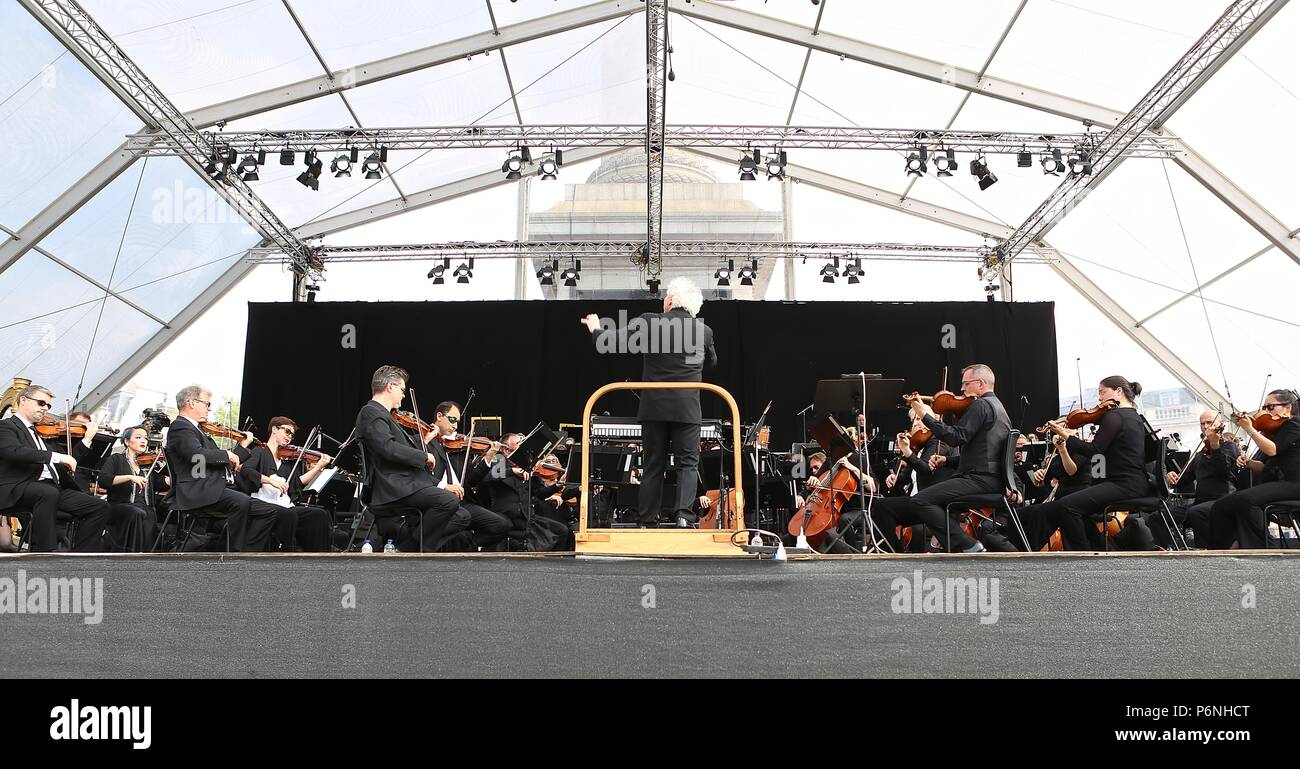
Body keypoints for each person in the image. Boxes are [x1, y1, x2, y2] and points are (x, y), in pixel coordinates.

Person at [582, 276, 717, 527]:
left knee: (654, 464)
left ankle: (647, 519)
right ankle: (684, 517)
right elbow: (711, 363)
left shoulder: (649, 322)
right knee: (688, 464)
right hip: (687, 408)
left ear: (669, 301)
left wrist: (596, 329)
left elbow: (612, 342)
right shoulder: (704, 331)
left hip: (654, 407)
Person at [855, 364, 1012, 553]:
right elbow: (983, 452)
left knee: (920, 500)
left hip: (980, 480)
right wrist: (948, 461)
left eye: (965, 384)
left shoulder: (982, 405)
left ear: (980, 383)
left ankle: (967, 544)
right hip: (990, 479)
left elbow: (955, 437)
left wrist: (925, 416)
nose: (962, 390)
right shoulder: (999, 408)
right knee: (907, 504)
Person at [1022, 376, 1149, 551]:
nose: (1099, 399)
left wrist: (1066, 435)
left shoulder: (1115, 416)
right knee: (1075, 507)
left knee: (1067, 506)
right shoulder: (1134, 417)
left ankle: (1082, 556)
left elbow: (1094, 450)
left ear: (1118, 392)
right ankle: (1101, 550)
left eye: (1102, 392)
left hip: (1124, 484)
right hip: (1134, 482)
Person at [355, 367, 460, 552]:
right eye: (402, 390)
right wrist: (423, 455)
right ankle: (410, 550)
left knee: (457, 510)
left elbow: (398, 447)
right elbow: (387, 448)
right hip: (391, 486)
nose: (404, 395)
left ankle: (410, 549)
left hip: (404, 483)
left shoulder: (384, 415)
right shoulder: (370, 412)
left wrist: (424, 442)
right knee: (447, 501)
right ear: (389, 386)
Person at [165, 385, 276, 552]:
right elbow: (197, 456)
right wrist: (226, 454)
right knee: (241, 502)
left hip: (214, 487)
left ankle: (247, 552)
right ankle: (232, 554)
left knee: (269, 510)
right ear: (191, 403)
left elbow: (222, 461)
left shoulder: (198, 430)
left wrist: (242, 446)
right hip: (198, 489)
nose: (209, 408)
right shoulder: (180, 426)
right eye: (207, 404)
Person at [0, 384, 110, 551]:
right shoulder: (6, 426)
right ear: (23, 400)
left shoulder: (43, 435)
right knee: (47, 493)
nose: (45, 409)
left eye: (48, 406)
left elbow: (71, 459)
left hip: (51, 488)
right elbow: (13, 451)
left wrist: (85, 441)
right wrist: (56, 457)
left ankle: (82, 556)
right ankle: (44, 552)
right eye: (41, 403)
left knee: (99, 506)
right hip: (17, 487)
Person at [1207, 390, 1300, 548]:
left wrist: (1251, 430)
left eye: (1270, 407)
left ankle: (1267, 548)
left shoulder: (1294, 425)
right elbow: (1265, 467)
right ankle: (1228, 547)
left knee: (1246, 499)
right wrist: (1249, 462)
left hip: (1295, 484)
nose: (1265, 411)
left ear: (1287, 408)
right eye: (1264, 407)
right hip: (1282, 484)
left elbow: (1272, 450)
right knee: (1221, 505)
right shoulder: (1275, 431)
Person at [233, 417, 333, 552]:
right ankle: (286, 556)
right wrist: (271, 480)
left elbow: (296, 484)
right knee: (288, 515)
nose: (289, 437)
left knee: (319, 515)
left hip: (284, 504)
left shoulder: (286, 460)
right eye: (287, 431)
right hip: (264, 503)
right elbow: (246, 470)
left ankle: (319, 558)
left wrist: (317, 468)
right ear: (274, 429)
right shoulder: (260, 451)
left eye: (292, 434)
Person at [1162, 411, 1240, 548]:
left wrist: (1215, 445)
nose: (1205, 426)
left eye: (1209, 422)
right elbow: (1183, 479)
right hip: (1200, 502)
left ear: (1220, 424)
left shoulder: (1229, 446)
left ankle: (1207, 552)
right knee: (1160, 516)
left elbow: (1223, 471)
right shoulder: (1200, 454)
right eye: (1202, 423)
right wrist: (1171, 476)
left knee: (1196, 512)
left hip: (1222, 500)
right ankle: (1169, 551)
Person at [98, 426, 166, 551]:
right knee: (136, 512)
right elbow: (103, 480)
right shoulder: (116, 459)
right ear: (127, 441)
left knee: (149, 513)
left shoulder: (147, 464)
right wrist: (129, 477)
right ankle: (131, 554)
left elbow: (160, 482)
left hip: (145, 508)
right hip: (120, 506)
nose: (143, 441)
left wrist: (172, 478)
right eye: (138, 437)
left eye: (145, 438)